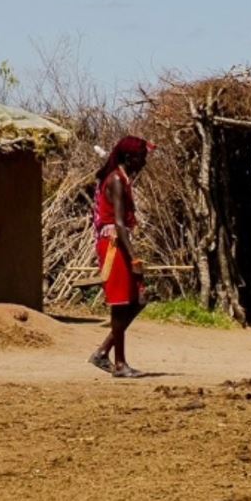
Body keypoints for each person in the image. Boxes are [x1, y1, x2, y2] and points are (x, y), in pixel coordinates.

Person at [88, 136, 155, 378]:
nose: (144, 162)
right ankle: (119, 364)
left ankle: (103, 352)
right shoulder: (116, 180)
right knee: (121, 304)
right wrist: (135, 258)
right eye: (141, 157)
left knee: (138, 299)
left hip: (120, 243)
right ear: (129, 157)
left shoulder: (123, 180)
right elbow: (118, 223)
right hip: (114, 246)